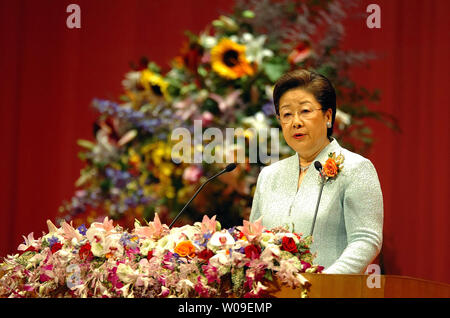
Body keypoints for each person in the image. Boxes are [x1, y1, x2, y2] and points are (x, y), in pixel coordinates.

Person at [250, 69, 383, 274]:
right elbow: (253, 239)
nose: (296, 121)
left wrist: (325, 284)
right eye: (286, 114)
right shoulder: (269, 176)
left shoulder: (356, 168)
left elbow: (366, 239)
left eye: (305, 111)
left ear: (328, 116)